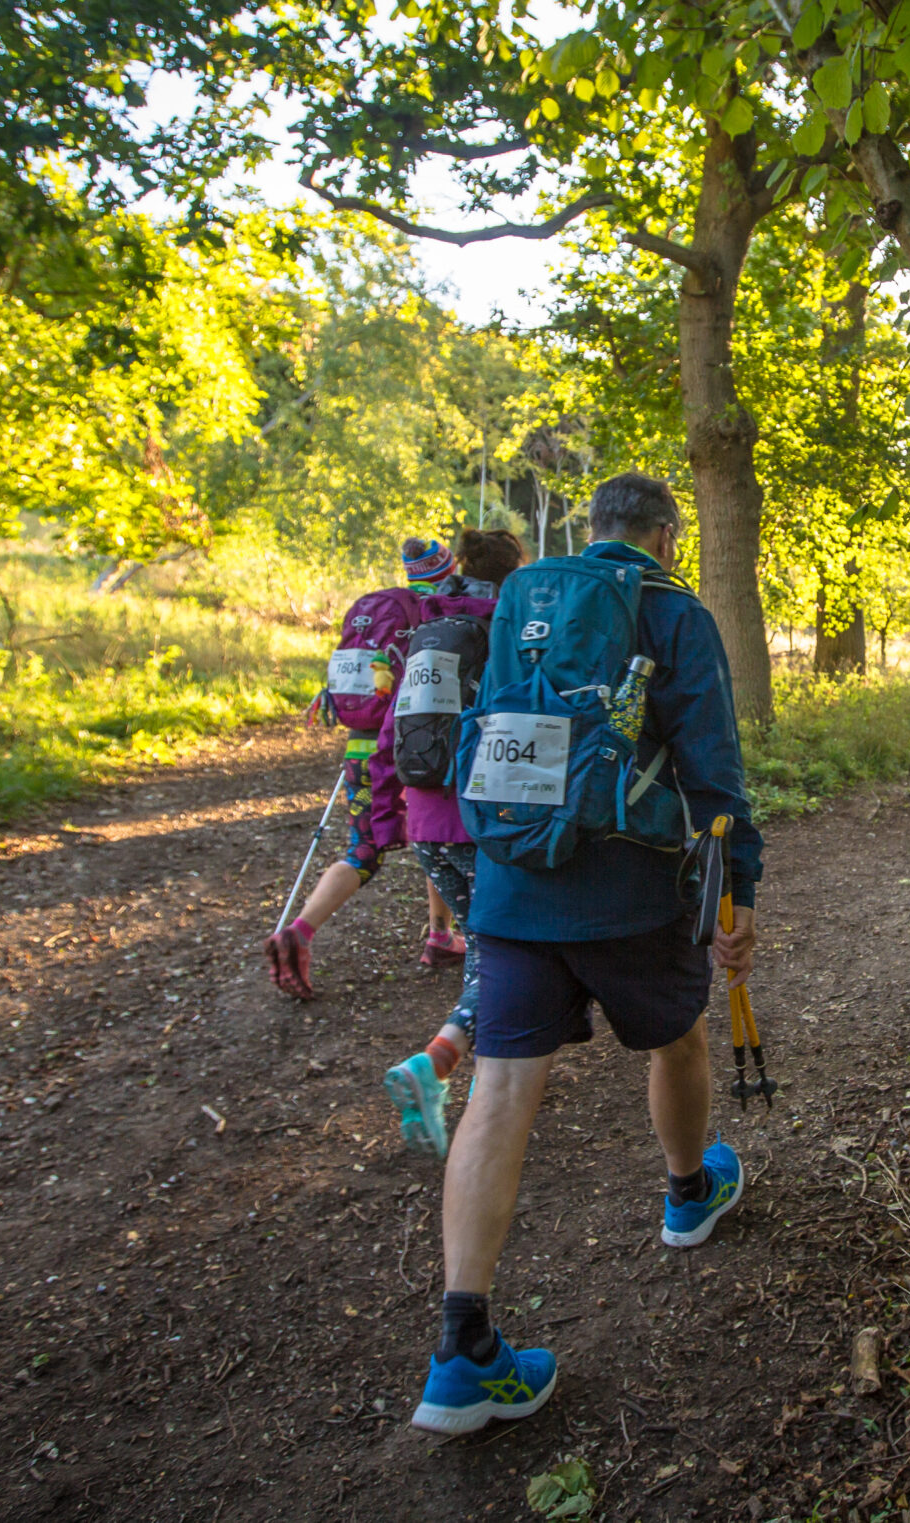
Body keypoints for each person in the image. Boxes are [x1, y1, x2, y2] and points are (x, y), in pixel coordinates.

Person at [410, 473, 760, 1436]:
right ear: (666, 534)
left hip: (511, 885)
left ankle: (461, 1351)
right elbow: (713, 771)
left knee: (499, 1092)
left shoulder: (526, 596)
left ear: (592, 529)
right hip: (631, 890)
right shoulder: (670, 606)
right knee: (677, 1038)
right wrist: (741, 895)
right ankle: (689, 1195)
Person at [264, 536, 465, 999]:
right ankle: (439, 935)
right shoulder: (435, 616)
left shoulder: (377, 614)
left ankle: (305, 928)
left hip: (360, 749)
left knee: (363, 849)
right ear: (447, 571)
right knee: (435, 837)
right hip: (411, 751)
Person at [380, 527, 527, 1158]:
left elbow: (393, 734)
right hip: (479, 824)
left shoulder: (427, 634)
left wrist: (390, 816)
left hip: (426, 827)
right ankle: (441, 1066)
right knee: (500, 953)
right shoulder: (505, 630)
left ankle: (461, 1073)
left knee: (484, 948)